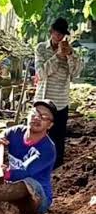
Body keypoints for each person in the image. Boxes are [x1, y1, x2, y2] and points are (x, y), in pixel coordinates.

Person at [0, 100, 57, 214]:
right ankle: (4, 205)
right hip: (10, 188)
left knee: (28, 183)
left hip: (37, 197)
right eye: (34, 113)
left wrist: (6, 173)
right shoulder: (15, 132)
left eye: (43, 117)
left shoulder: (48, 149)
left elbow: (27, 172)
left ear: (49, 125)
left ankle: (5, 204)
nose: (37, 118)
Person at [34, 17, 83, 168]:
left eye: (62, 34)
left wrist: (69, 56)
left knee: (58, 138)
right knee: (39, 134)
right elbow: (41, 73)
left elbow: (76, 74)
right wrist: (58, 57)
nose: (59, 37)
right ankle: (37, 164)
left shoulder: (70, 51)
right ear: (51, 32)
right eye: (56, 33)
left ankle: (58, 169)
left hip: (61, 102)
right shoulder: (41, 48)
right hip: (43, 100)